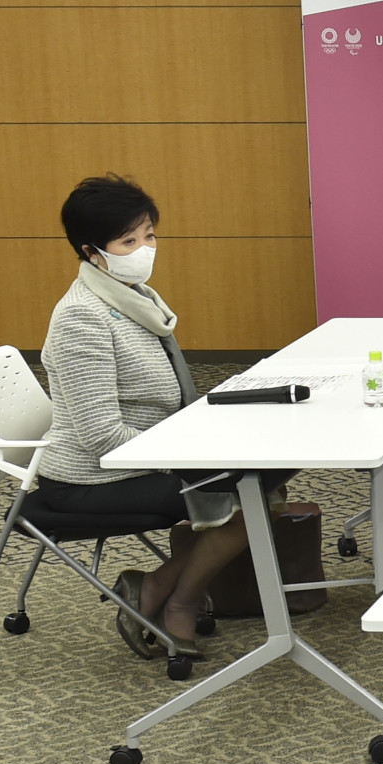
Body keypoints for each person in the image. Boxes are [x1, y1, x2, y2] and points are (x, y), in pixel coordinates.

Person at [38, 175, 256, 658]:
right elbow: (101, 436)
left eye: (149, 235)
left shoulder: (136, 299)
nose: (144, 249)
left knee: (267, 477)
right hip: (91, 476)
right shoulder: (83, 317)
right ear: (92, 251)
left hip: (145, 452)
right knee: (249, 492)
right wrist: (190, 458)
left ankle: (154, 588)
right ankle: (179, 602)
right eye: (129, 241)